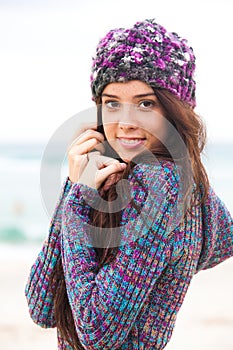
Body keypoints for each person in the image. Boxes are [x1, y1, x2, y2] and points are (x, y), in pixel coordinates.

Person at [25, 18, 233, 350]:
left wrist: (78, 198)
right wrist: (76, 190)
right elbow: (42, 306)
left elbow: (96, 334)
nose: (125, 123)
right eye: (112, 102)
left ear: (176, 109)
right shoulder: (140, 181)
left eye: (145, 103)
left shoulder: (160, 186)